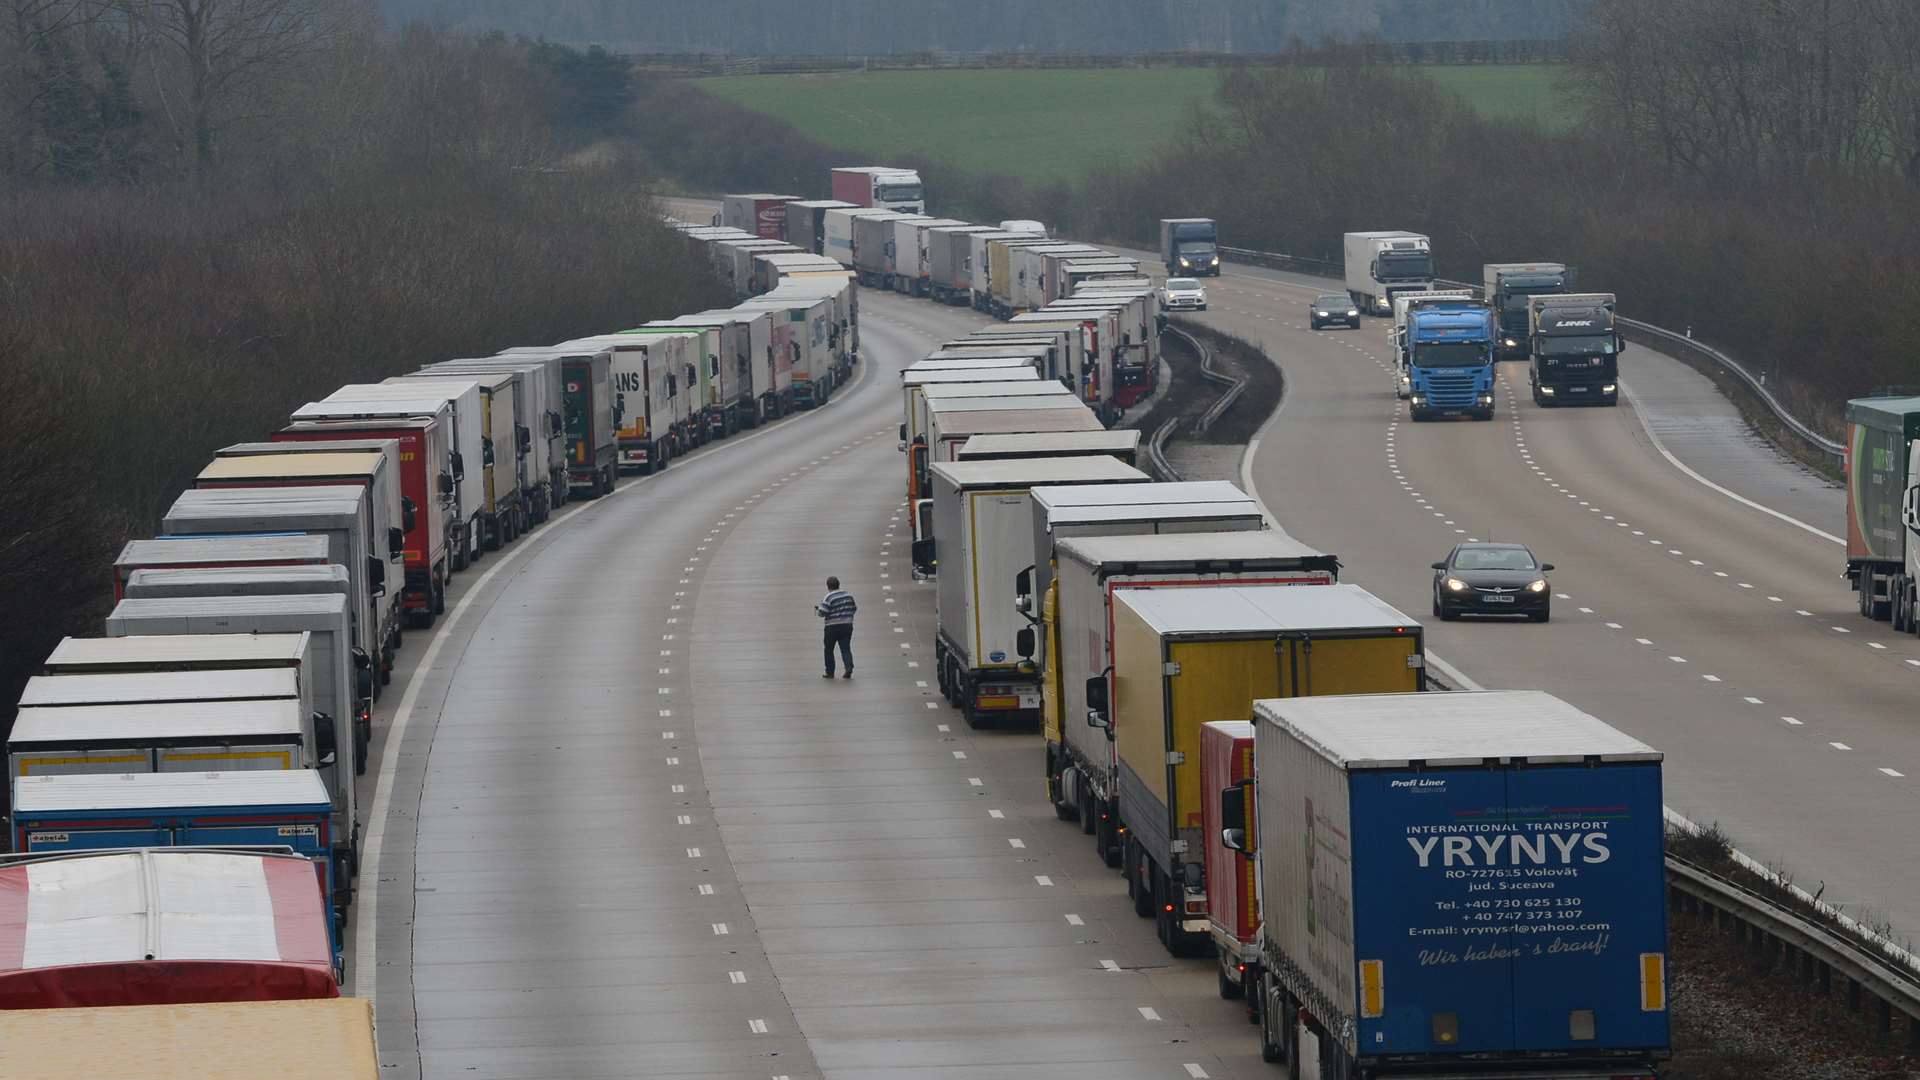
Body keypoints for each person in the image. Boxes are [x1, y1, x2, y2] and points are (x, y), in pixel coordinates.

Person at [816, 576, 856, 678]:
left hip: (832, 627)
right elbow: (854, 608)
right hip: (847, 625)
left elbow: (822, 613)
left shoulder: (828, 597)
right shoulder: (848, 595)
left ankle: (830, 672)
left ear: (828, 586)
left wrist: (818, 609)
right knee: (845, 648)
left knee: (829, 649)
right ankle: (848, 667)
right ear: (838, 584)